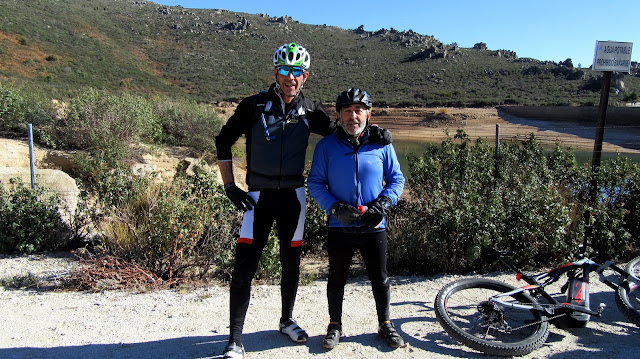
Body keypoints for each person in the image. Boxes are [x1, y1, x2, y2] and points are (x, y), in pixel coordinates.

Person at [214, 44, 391, 359]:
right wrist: (230, 185)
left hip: (294, 197)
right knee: (245, 266)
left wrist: (374, 132)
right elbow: (223, 140)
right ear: (275, 72)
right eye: (284, 70)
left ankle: (286, 320)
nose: (290, 77)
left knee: (291, 263)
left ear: (305, 76)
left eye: (297, 72)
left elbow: (344, 131)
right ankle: (234, 340)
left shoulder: (310, 110)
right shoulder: (253, 106)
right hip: (258, 196)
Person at [307, 88, 406, 350]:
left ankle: (385, 324)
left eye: (359, 110)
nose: (353, 116)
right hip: (340, 226)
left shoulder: (382, 144)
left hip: (374, 224)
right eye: (347, 111)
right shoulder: (326, 146)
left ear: (368, 114)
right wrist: (334, 207)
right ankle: (335, 325)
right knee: (336, 278)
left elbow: (396, 179)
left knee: (380, 278)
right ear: (338, 115)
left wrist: (383, 204)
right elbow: (315, 182)